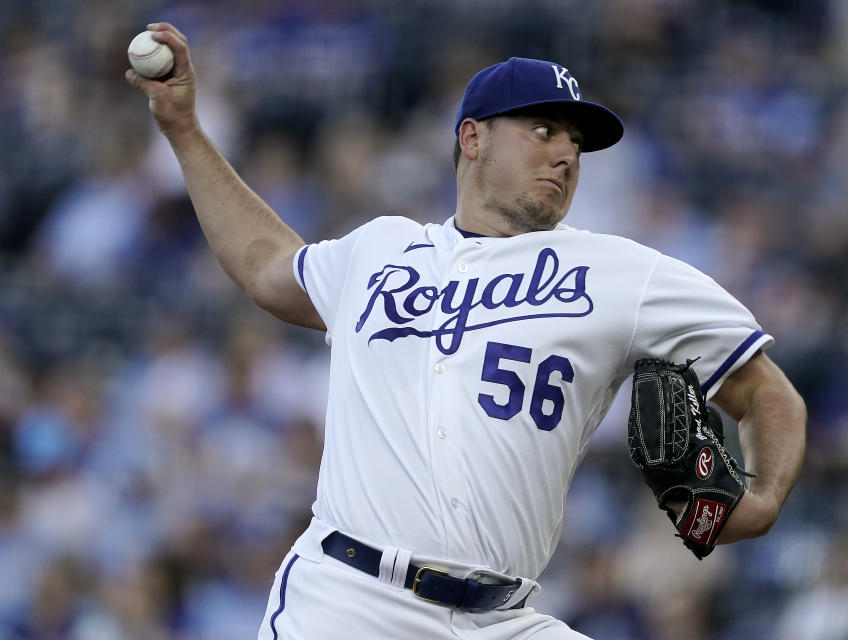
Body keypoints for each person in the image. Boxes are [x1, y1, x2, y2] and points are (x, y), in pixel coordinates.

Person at [126, 22, 806, 640]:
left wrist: (762, 500)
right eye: (542, 129)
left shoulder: (621, 274)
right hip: (349, 601)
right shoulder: (381, 251)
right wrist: (185, 129)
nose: (566, 154)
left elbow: (766, 392)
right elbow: (265, 263)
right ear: (471, 137)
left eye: (575, 142)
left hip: (505, 618)